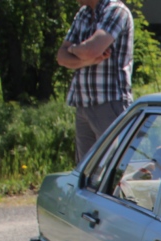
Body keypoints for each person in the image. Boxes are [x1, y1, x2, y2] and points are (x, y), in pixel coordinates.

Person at [57, 0, 133, 164]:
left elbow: (92, 49)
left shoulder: (116, 11)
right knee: (85, 172)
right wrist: (87, 60)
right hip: (83, 105)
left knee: (112, 168)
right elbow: (61, 57)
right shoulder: (83, 14)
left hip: (110, 103)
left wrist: (74, 49)